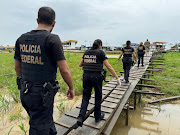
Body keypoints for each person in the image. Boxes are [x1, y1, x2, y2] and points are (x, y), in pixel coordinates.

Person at [14, 7, 75, 135]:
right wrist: (71, 88)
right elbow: (64, 70)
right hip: (42, 95)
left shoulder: (21, 39)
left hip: (25, 91)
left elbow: (17, 67)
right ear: (53, 23)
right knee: (39, 127)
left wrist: (21, 82)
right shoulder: (52, 39)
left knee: (43, 121)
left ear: (37, 20)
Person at [77, 39, 120, 126]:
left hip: (86, 77)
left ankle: (81, 117)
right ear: (100, 44)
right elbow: (108, 66)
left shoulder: (86, 52)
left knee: (85, 97)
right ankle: (97, 116)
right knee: (97, 97)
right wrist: (117, 78)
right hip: (96, 77)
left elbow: (80, 64)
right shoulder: (101, 52)